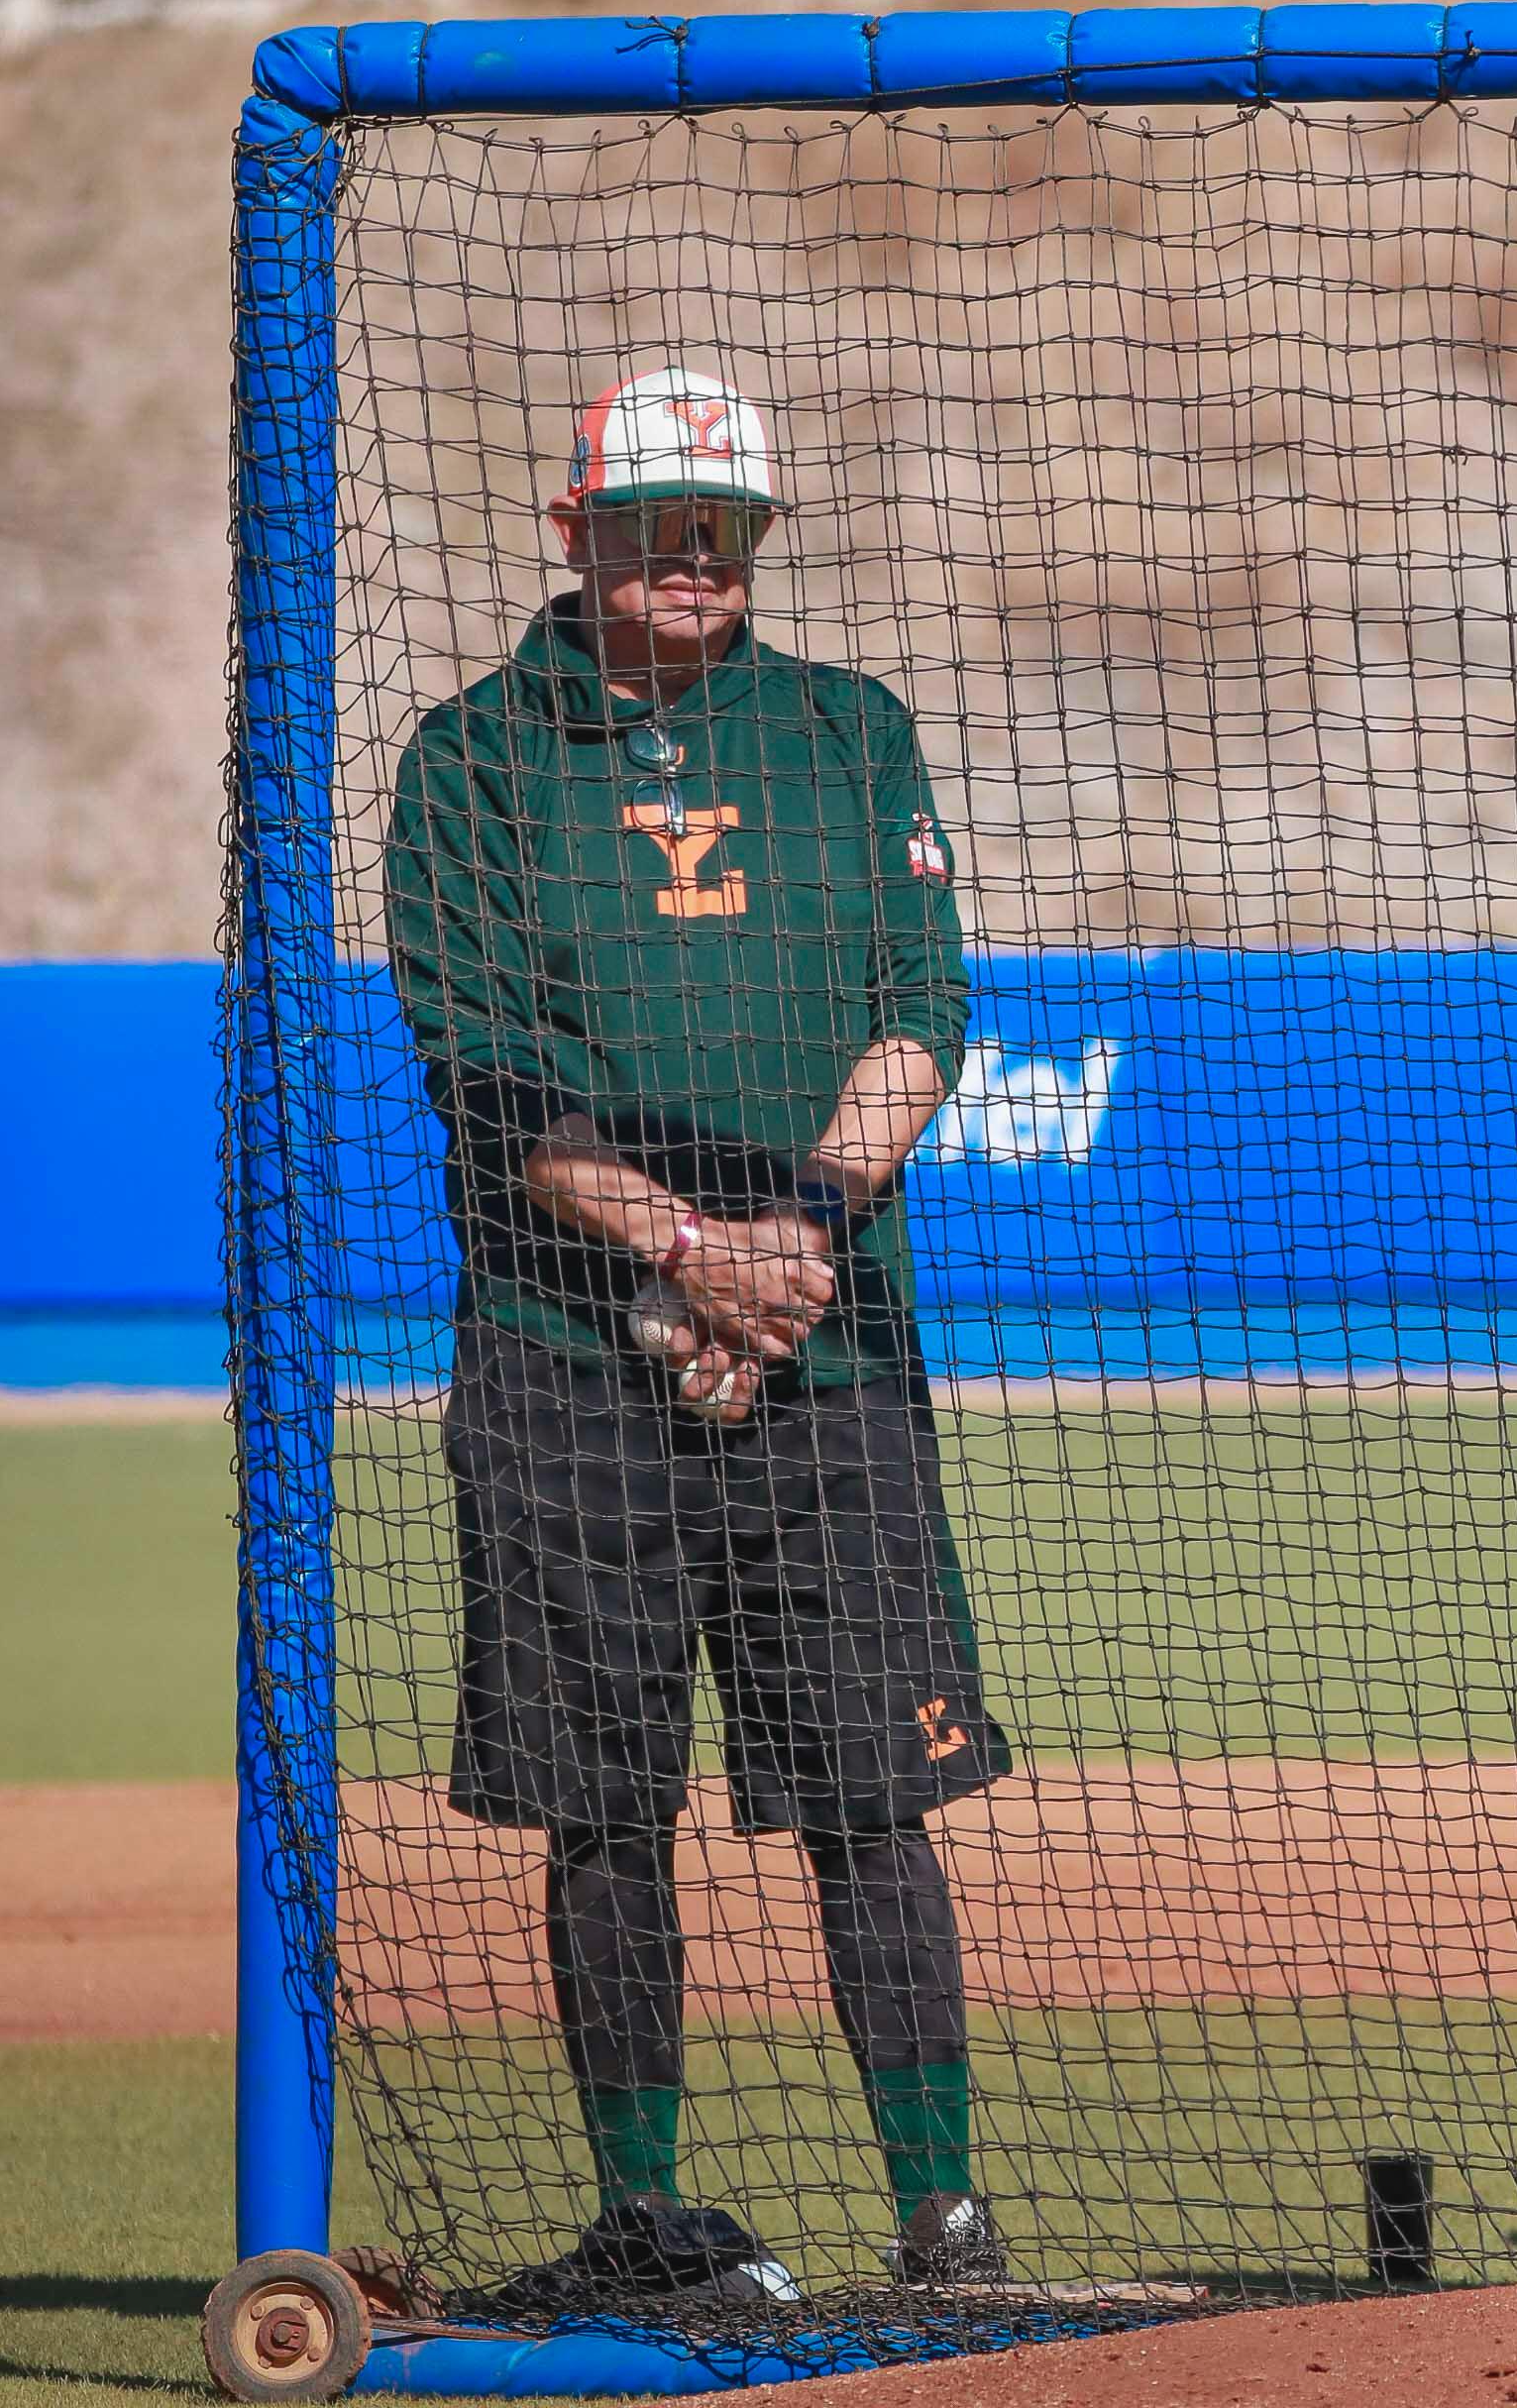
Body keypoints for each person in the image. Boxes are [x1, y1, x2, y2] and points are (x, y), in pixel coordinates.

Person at [382, 366, 1014, 2307]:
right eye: (652, 518)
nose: (689, 554)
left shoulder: (847, 731)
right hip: (572, 1370)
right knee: (603, 1809)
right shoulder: (476, 756)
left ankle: (943, 2211)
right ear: (571, 531)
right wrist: (677, 1254)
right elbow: (483, 1074)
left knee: (868, 1801)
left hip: (823, 1354)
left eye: (722, 523)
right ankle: (647, 2209)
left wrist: (801, 1233)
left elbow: (925, 1005)